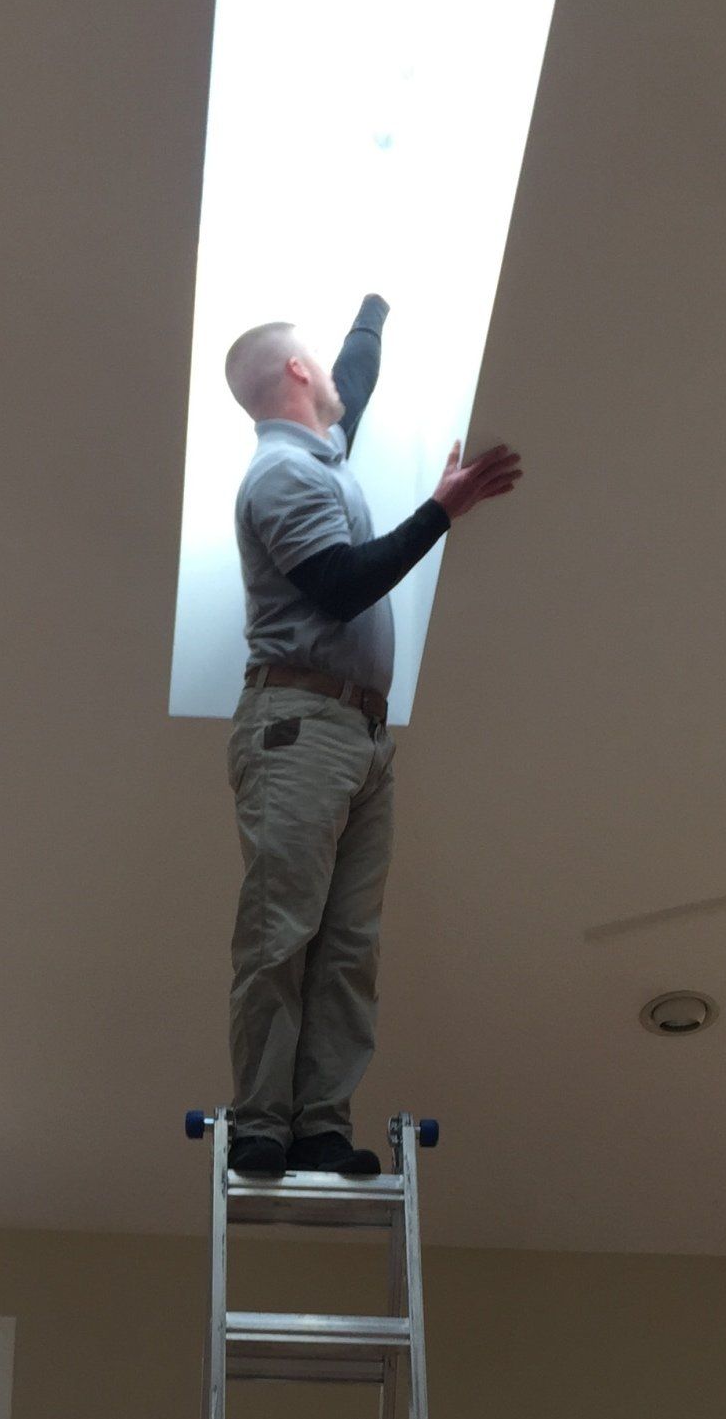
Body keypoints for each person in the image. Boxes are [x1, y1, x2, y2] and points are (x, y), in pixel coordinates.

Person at [221, 298, 523, 1180]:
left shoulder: (324, 450)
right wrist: (443, 509)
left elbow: (355, 376)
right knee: (283, 933)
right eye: (317, 359)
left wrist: (376, 306)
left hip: (357, 732)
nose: (336, 375)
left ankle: (319, 1122)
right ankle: (262, 1125)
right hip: (298, 725)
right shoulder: (281, 475)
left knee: (348, 943)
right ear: (294, 375)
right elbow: (341, 585)